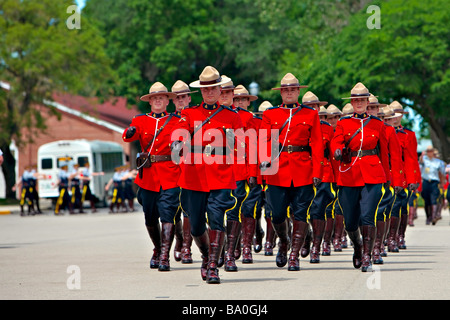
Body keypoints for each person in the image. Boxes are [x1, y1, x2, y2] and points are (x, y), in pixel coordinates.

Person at [171, 66, 244, 284]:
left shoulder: (231, 117)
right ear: (201, 91)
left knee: (216, 219)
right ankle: (206, 255)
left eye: (212, 88)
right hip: (194, 177)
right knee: (195, 227)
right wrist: (176, 142)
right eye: (205, 89)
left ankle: (213, 266)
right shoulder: (189, 114)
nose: (209, 93)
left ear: (220, 90)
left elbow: (237, 147)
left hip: (220, 176)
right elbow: (179, 132)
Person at [259, 73, 324, 271]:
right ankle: (284, 242)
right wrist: (263, 168)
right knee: (277, 214)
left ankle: (294, 255)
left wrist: (317, 172)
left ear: (298, 91)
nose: (289, 93)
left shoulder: (310, 114)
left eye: (292, 90)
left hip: (302, 169)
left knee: (301, 214)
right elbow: (262, 143)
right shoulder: (270, 114)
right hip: (277, 171)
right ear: (281, 92)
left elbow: (317, 145)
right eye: (285, 90)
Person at [331, 82, 390, 272]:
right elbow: (336, 142)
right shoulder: (343, 123)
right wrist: (338, 151)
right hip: (349, 173)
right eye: (355, 100)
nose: (359, 103)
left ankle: (367, 256)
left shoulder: (378, 124)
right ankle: (357, 245)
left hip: (372, 173)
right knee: (350, 220)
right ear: (352, 102)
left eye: (362, 100)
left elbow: (385, 154)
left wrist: (389, 179)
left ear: (367, 101)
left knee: (368, 215)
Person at [122, 81, 180, 272]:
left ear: (167, 101)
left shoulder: (175, 120)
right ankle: (157, 248)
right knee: (149, 217)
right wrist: (130, 132)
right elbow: (129, 136)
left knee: (168, 214)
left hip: (170, 172)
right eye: (154, 98)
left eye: (161, 97)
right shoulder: (140, 120)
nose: (157, 100)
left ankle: (164, 256)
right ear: (150, 101)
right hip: (148, 175)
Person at [366, 100, 404, 263]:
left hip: (382, 177)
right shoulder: (358, 127)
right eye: (369, 108)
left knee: (380, 212)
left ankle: (377, 247)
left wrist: (397, 181)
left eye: (374, 108)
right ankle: (365, 246)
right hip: (361, 176)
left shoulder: (387, 130)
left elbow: (395, 158)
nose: (372, 111)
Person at [300, 92, 334, 263]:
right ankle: (305, 238)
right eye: (307, 105)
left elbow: (333, 156)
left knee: (318, 211)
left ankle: (316, 246)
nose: (311, 109)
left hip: (324, 173)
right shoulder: (297, 124)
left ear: (319, 108)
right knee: (299, 210)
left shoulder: (327, 128)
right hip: (302, 171)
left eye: (314, 106)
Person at [231, 84, 260, 266]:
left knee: (249, 209)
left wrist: (255, 173)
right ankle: (233, 245)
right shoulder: (229, 117)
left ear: (249, 101)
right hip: (234, 170)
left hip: (251, 170)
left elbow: (259, 149)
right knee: (233, 209)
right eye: (237, 99)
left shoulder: (255, 121)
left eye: (243, 99)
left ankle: (247, 245)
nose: (240, 102)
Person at [171, 80, 197, 264]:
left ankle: (187, 248)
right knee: (173, 211)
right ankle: (179, 239)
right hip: (172, 170)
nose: (181, 101)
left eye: (183, 97)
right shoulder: (168, 120)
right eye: (177, 98)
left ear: (189, 97)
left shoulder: (198, 116)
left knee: (189, 210)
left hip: (193, 168)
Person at [420, 145, 445, 225]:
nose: (430, 153)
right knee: (427, 200)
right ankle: (428, 217)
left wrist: (442, 183)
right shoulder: (424, 160)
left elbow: (441, 173)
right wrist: (422, 155)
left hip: (434, 182)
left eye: (431, 151)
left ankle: (433, 217)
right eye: (428, 151)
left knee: (434, 199)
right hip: (426, 182)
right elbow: (421, 162)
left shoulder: (438, 162)